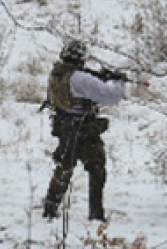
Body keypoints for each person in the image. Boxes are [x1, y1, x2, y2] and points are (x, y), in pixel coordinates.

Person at [42, 39, 129, 221]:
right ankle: (96, 213)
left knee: (64, 167)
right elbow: (109, 97)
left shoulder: (56, 74)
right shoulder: (80, 78)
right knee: (96, 169)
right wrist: (118, 82)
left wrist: (100, 77)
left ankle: (50, 206)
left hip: (65, 128)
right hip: (84, 129)